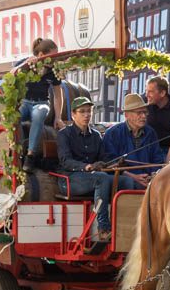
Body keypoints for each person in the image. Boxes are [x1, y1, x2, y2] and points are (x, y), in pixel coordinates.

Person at [56, 97, 132, 243]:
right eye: (82, 112)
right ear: (73, 114)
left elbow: (103, 160)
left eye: (89, 111)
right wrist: (86, 167)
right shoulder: (64, 134)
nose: (87, 115)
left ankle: (125, 227)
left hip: (92, 179)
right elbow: (65, 161)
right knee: (101, 178)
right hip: (69, 180)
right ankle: (103, 228)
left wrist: (114, 164)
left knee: (126, 182)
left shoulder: (96, 135)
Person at [11, 38, 61, 172]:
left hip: (42, 102)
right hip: (25, 102)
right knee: (15, 118)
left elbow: (58, 95)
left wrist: (58, 117)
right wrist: (25, 65)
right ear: (40, 55)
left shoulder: (54, 70)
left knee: (39, 114)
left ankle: (30, 155)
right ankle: (19, 151)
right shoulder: (29, 63)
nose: (54, 59)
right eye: (52, 56)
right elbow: (11, 73)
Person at [103, 93, 165, 189]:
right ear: (126, 114)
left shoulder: (150, 133)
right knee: (130, 183)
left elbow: (157, 159)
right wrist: (132, 176)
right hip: (125, 179)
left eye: (145, 112)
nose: (144, 116)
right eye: (139, 113)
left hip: (148, 179)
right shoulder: (112, 133)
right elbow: (109, 162)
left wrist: (153, 175)